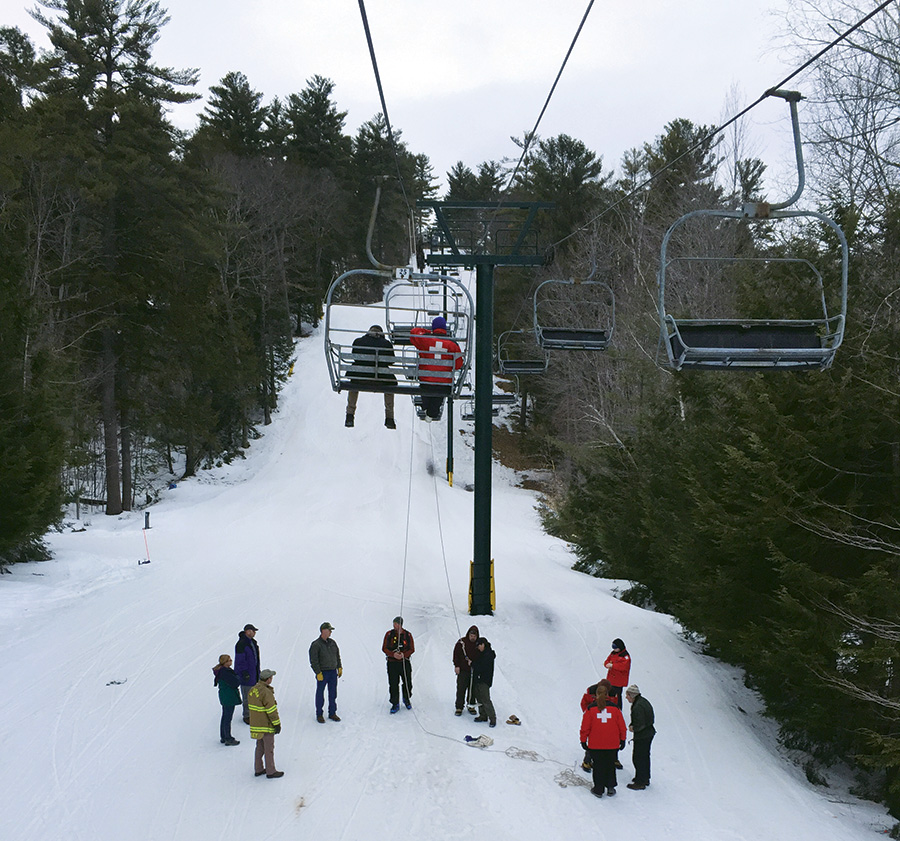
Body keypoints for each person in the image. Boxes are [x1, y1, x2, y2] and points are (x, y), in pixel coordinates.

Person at [409, 316, 463, 421]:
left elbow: (414, 332)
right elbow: (458, 364)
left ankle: (426, 408)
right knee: (437, 398)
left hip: (426, 381)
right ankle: (431, 413)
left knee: (427, 392)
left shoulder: (426, 340)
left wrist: (428, 332)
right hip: (444, 383)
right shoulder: (453, 344)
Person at [580, 683, 627, 798]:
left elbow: (585, 727)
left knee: (598, 766)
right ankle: (610, 787)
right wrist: (622, 739)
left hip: (595, 744)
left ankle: (598, 789)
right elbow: (622, 726)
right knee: (610, 765)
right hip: (612, 744)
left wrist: (583, 740)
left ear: (596, 695)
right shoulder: (615, 709)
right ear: (607, 694)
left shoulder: (590, 709)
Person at [345, 325, 397, 429]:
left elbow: (355, 356)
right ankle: (389, 417)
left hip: (360, 379)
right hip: (381, 379)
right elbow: (391, 360)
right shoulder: (386, 344)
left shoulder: (358, 341)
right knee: (391, 384)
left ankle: (350, 415)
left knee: (353, 384)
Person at [249, 668, 283, 779]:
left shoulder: (253, 690)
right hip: (266, 725)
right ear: (268, 679)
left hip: (256, 725)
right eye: (271, 677)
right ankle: (271, 771)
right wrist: (276, 724)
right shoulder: (266, 692)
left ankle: (258, 769)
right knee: (269, 749)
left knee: (259, 747)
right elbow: (271, 710)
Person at [309, 621, 342, 723]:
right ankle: (319, 714)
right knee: (320, 694)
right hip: (323, 673)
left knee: (333, 693)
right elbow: (314, 660)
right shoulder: (316, 644)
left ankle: (332, 713)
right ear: (323, 631)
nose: (331, 632)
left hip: (333, 672)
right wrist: (318, 672)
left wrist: (339, 667)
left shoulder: (332, 643)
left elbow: (337, 655)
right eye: (329, 630)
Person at [625, 684, 655, 790]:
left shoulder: (637, 706)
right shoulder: (642, 702)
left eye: (627, 695)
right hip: (648, 733)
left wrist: (634, 728)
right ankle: (644, 778)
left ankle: (640, 781)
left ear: (632, 695)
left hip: (643, 735)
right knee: (645, 757)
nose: (626, 697)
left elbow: (640, 723)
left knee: (638, 758)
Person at [382, 616, 414, 713]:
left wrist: (404, 655)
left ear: (400, 624)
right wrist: (393, 654)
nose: (394, 625)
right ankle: (395, 703)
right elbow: (384, 648)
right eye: (394, 623)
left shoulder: (407, 635)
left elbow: (412, 649)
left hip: (404, 663)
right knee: (393, 683)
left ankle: (406, 698)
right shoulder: (389, 634)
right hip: (392, 663)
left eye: (396, 624)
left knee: (407, 682)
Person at [579, 678, 612, 771]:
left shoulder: (613, 692)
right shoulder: (590, 691)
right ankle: (587, 761)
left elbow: (614, 704)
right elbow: (584, 703)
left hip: (606, 720)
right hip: (594, 719)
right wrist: (588, 714)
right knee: (593, 740)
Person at [212, 654, 241, 746]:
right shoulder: (226, 672)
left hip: (225, 696)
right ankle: (228, 738)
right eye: (229, 660)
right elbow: (235, 682)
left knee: (225, 716)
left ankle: (224, 736)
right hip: (229, 696)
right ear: (225, 662)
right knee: (228, 717)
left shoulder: (221, 671)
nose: (231, 661)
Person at [234, 623, 260, 724]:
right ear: (247, 631)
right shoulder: (241, 644)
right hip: (247, 676)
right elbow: (240, 660)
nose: (254, 633)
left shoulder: (252, 643)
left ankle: (252, 713)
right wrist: (244, 672)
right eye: (253, 631)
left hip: (254, 674)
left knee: (253, 695)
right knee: (247, 696)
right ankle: (247, 715)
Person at [453, 625, 480, 715]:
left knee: (473, 689)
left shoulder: (478, 644)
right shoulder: (462, 642)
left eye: (474, 636)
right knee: (461, 688)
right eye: (471, 635)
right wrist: (457, 665)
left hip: (474, 670)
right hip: (463, 670)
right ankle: (459, 707)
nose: (473, 638)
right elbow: (456, 654)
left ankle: (471, 705)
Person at [471, 637, 497, 727]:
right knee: (479, 698)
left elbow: (482, 667)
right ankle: (483, 715)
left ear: (483, 644)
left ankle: (492, 718)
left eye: (479, 646)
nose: (478, 648)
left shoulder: (488, 654)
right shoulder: (482, 654)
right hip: (478, 679)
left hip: (485, 680)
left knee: (485, 699)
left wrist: (472, 664)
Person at [604, 638, 631, 708]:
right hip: (611, 680)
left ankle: (618, 710)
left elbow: (624, 667)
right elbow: (607, 660)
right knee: (610, 695)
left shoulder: (625, 657)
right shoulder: (613, 653)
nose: (614, 649)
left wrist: (612, 665)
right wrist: (606, 664)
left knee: (617, 696)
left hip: (618, 681)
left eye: (615, 648)